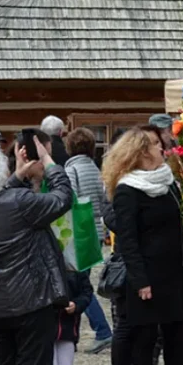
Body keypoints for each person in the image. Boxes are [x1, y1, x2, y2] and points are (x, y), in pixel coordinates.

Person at [104, 127, 183, 365]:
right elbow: (128, 241)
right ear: (141, 152)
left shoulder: (173, 183)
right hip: (147, 278)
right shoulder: (126, 190)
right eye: (156, 146)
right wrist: (140, 280)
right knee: (144, 343)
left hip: (180, 273)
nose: (163, 149)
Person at [0, 135, 71, 365]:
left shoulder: (9, 198)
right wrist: (50, 163)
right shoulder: (21, 203)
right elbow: (63, 198)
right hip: (30, 300)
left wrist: (19, 174)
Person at [63, 127, 114, 353]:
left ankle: (102, 331)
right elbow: (103, 199)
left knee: (80, 285)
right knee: (82, 282)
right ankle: (99, 330)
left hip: (80, 231)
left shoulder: (70, 169)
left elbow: (70, 200)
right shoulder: (96, 169)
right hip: (96, 230)